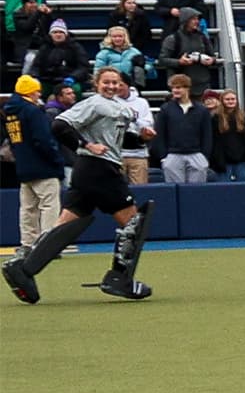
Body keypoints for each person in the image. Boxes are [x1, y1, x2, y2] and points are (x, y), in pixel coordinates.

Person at [5, 66, 157, 303]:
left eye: (115, 83)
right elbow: (60, 126)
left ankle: (22, 269)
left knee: (64, 227)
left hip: (88, 171)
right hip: (99, 169)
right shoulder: (94, 103)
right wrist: (88, 145)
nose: (111, 86)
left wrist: (140, 138)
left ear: (123, 84)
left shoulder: (116, 107)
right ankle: (120, 278)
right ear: (96, 83)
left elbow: (115, 138)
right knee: (133, 223)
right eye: (106, 82)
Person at [6, 72, 65, 260]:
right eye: (36, 91)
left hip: (23, 166)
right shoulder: (32, 111)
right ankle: (46, 245)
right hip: (43, 166)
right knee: (49, 205)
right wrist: (56, 159)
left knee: (27, 208)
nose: (39, 94)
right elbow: (43, 140)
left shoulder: (10, 112)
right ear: (30, 93)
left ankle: (27, 243)